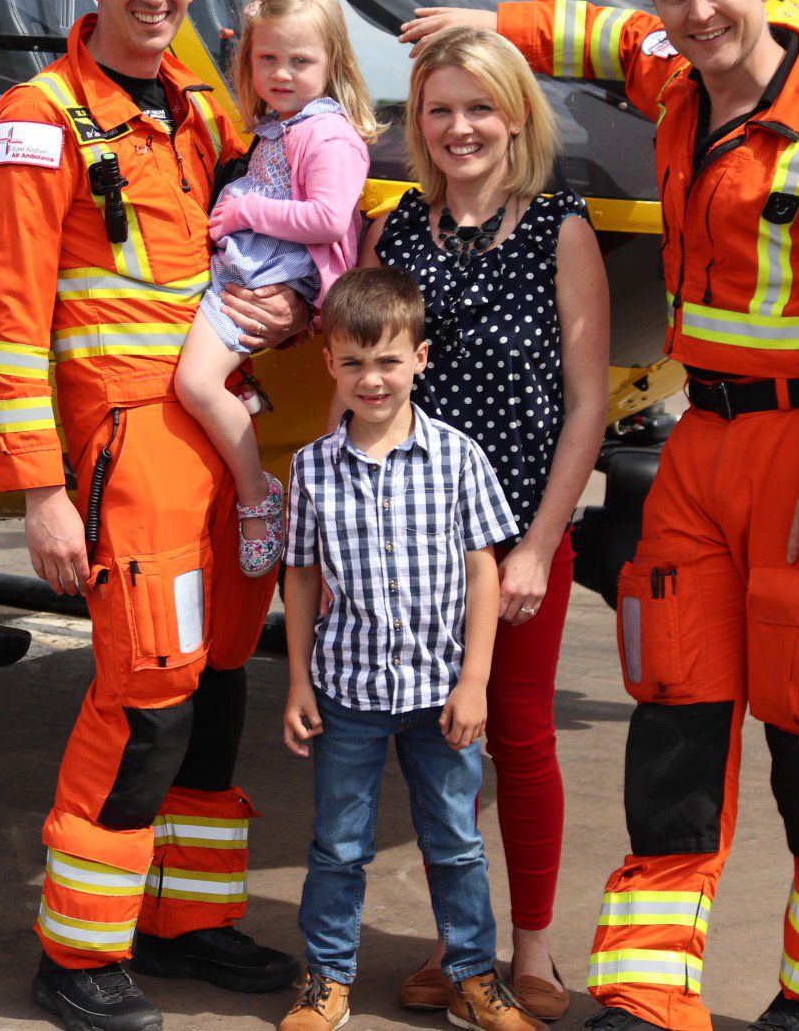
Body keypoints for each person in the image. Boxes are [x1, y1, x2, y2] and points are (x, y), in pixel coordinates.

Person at [403, 0, 799, 1031]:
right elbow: (597, 35)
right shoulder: (676, 76)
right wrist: (488, 19)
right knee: (671, 723)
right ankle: (650, 993)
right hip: (702, 448)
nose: (696, 14)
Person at [0, 0, 307, 1031]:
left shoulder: (202, 110)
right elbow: (10, 319)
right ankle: (76, 953)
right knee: (145, 691)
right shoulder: (37, 115)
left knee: (219, 680)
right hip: (128, 445)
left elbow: (257, 250)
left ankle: (193, 918)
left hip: (222, 434)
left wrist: (290, 312)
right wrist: (40, 491)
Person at [361, 28, 609, 1023]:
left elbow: (585, 402)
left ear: (513, 116)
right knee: (437, 747)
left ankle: (534, 948)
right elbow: (368, 393)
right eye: (438, 109)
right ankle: (454, 942)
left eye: (478, 107)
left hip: (515, 540)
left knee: (518, 735)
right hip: (415, 544)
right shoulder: (396, 237)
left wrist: (540, 546)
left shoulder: (559, 230)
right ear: (417, 123)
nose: (458, 126)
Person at [276, 267, 543, 1031]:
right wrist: (298, 681)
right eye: (353, 362)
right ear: (328, 362)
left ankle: (471, 977)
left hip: (440, 695)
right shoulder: (313, 468)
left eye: (389, 360)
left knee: (456, 842)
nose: (372, 378)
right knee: (337, 846)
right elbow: (300, 577)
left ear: (421, 359)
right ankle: (325, 979)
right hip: (347, 694)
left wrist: (476, 682)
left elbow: (482, 572)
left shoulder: (458, 457)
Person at [175, 0, 375, 578]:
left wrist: (242, 212)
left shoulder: (325, 133)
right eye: (268, 58)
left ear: (332, 63)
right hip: (250, 269)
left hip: (267, 275)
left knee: (196, 383)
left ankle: (257, 494)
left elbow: (329, 217)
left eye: (300, 60)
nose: (282, 73)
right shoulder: (279, 127)